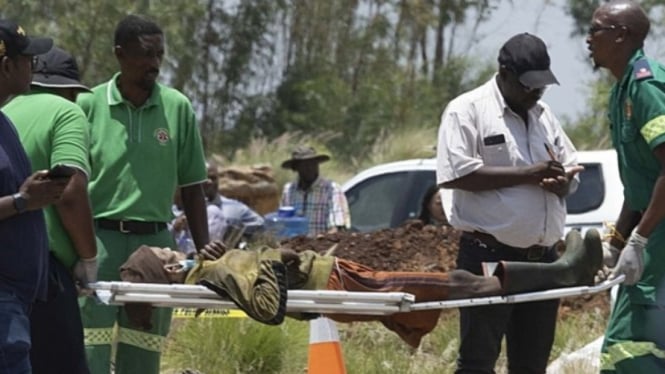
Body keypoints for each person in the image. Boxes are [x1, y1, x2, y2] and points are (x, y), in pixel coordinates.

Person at [120, 228, 603, 349]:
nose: (169, 251)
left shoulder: (205, 268)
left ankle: (561, 271)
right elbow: (266, 304)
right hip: (329, 281)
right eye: (161, 257)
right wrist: (271, 259)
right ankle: (563, 272)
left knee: (449, 287)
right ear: (162, 274)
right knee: (453, 284)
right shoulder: (208, 275)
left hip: (330, 275)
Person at [436, 33, 583, 373]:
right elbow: (456, 174)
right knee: (478, 360)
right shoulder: (466, 110)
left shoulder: (545, 115)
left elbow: (571, 169)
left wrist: (563, 184)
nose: (535, 93)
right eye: (528, 85)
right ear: (503, 72)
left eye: (542, 86)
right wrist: (530, 174)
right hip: (489, 256)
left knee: (531, 364)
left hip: (543, 261)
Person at [76, 14, 210, 374]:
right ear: (120, 54)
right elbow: (70, 184)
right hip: (98, 242)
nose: (154, 64)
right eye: (146, 55)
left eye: (160, 55)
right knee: (91, 347)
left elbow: (194, 186)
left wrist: (204, 251)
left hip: (155, 247)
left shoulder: (177, 107)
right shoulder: (87, 105)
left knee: (144, 349)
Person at [3, 46, 97, 374]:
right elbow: (70, 192)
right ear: (70, 90)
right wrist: (88, 258)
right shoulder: (67, 112)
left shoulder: (7, 114)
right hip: (45, 274)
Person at [587, 1, 665, 372]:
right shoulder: (621, 93)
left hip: (660, 244)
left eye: (596, 30)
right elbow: (639, 184)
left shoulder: (646, 88)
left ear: (621, 35)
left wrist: (640, 239)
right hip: (652, 242)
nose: (588, 39)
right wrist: (616, 244)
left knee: (629, 350)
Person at [0, 20, 71, 373]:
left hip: (16, 300)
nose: (34, 66)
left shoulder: (5, 123)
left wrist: (32, 191)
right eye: (27, 58)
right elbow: (18, 199)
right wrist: (24, 200)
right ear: (6, 65)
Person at [281, 145, 351, 236]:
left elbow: (338, 227)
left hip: (323, 246)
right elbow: (283, 223)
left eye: (312, 164)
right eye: (304, 165)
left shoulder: (332, 189)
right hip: (294, 246)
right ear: (296, 168)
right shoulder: (289, 191)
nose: (309, 168)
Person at [204, 160, 265, 239]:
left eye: (213, 178)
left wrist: (232, 231)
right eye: (204, 178)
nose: (209, 182)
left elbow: (261, 225)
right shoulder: (185, 210)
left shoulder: (235, 208)